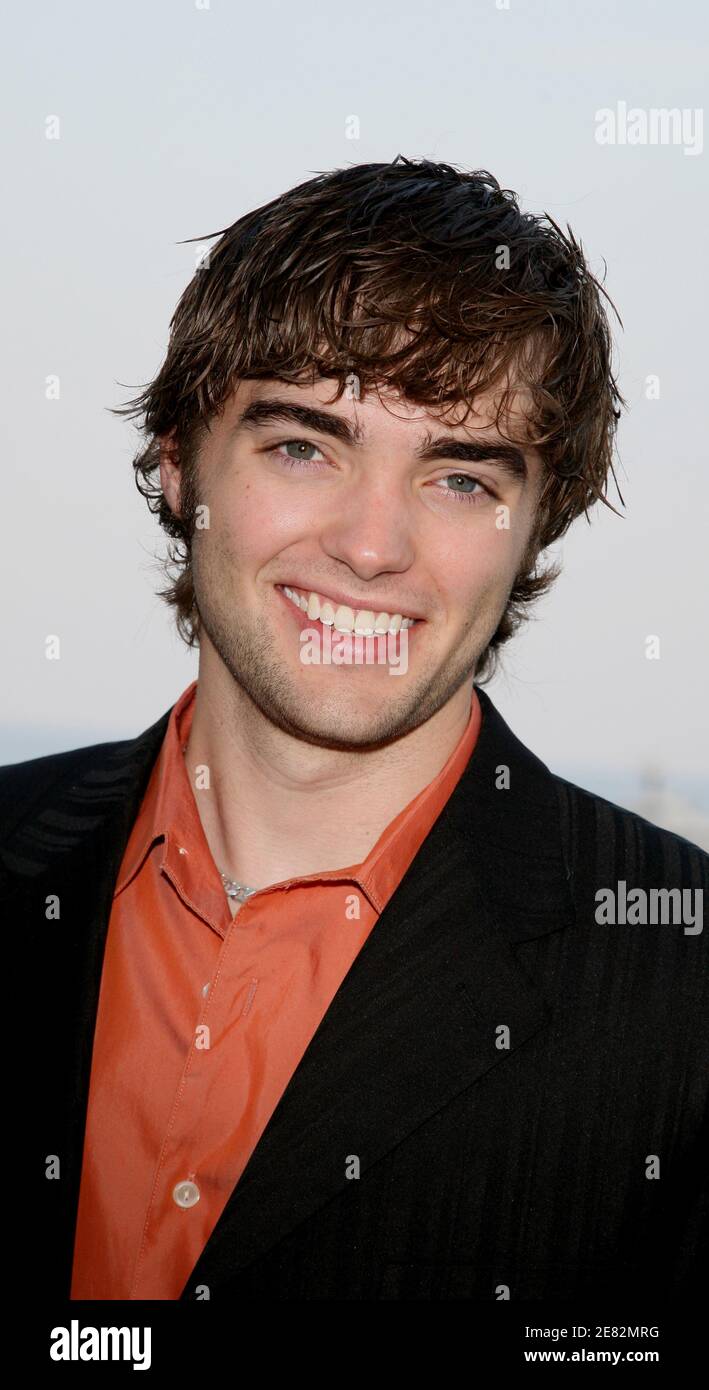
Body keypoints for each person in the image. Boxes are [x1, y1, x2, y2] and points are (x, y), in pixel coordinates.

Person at [2, 157, 706, 1303]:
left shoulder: (681, 994)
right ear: (180, 464)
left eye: (462, 478)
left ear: (535, 528)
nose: (373, 545)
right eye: (302, 447)